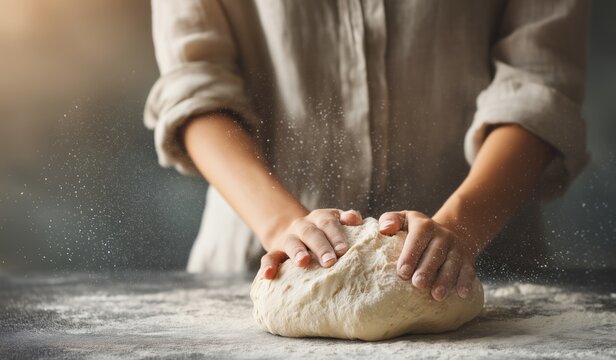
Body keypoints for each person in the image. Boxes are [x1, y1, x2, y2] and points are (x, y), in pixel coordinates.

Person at [145, 0, 588, 301]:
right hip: (258, 265)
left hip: (482, 272)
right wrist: (281, 224)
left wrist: (462, 228)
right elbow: (195, 86)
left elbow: (537, 84)